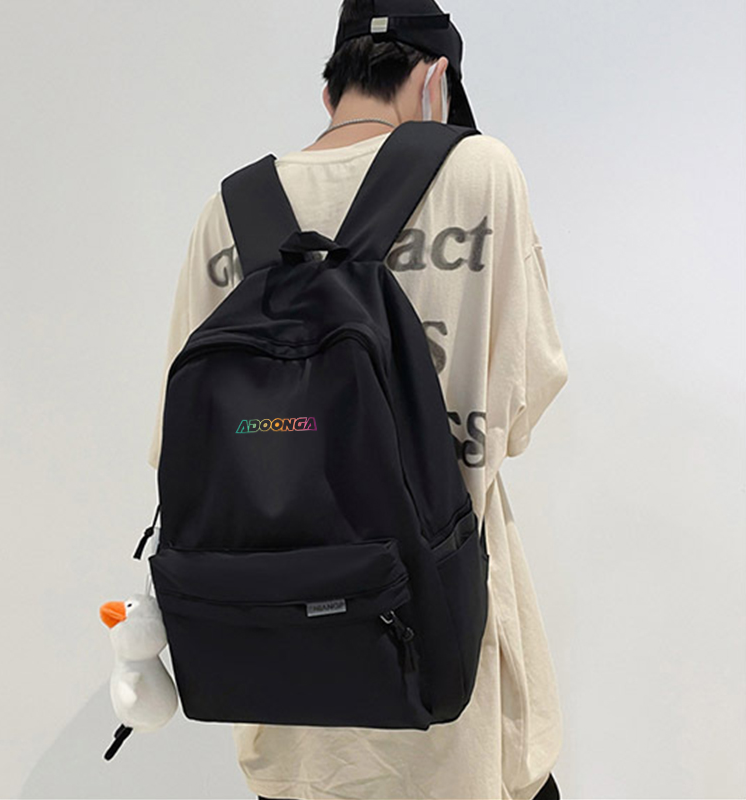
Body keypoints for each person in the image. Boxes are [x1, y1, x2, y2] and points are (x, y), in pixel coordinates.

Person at [147, 1, 569, 798]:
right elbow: (523, 399)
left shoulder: (227, 211)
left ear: (328, 91)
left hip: (278, 683)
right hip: (442, 659)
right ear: (437, 80)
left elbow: (178, 449)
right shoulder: (478, 170)